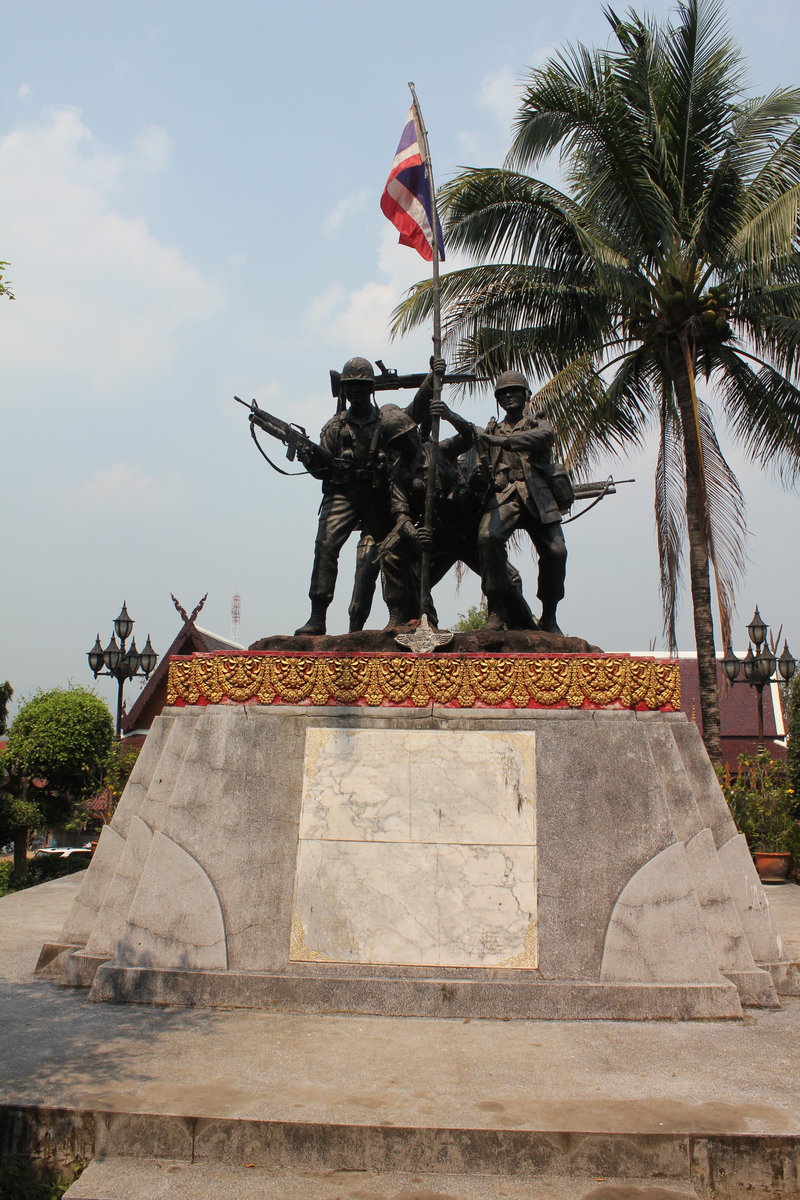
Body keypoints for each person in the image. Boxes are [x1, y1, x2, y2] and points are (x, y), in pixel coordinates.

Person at [294, 356, 433, 636]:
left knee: (397, 547)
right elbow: (322, 471)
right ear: (344, 390)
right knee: (326, 545)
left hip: (376, 493)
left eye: (360, 386)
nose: (355, 391)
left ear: (370, 388)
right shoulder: (334, 427)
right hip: (342, 494)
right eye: (350, 386)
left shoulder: (385, 422)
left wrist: (432, 378)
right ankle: (317, 615)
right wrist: (309, 460)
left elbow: (416, 414)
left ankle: (409, 612)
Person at [435, 370, 568, 634]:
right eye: (503, 393)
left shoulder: (538, 424)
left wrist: (503, 441)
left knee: (556, 552)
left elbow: (544, 437)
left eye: (514, 391)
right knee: (487, 537)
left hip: (537, 495)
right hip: (504, 494)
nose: (508, 396)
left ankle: (549, 616)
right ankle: (496, 610)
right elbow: (471, 434)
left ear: (525, 394)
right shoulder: (491, 430)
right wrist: (449, 415)